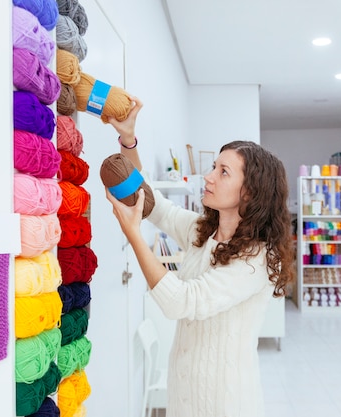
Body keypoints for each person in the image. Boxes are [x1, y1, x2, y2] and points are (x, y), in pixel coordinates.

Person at [105, 97, 295, 417]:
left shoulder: (255, 259)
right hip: (185, 396)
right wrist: (128, 140)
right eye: (213, 168)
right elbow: (154, 204)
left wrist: (134, 235)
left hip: (226, 404)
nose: (208, 177)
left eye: (223, 172)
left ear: (249, 192)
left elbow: (181, 301)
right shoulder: (202, 231)